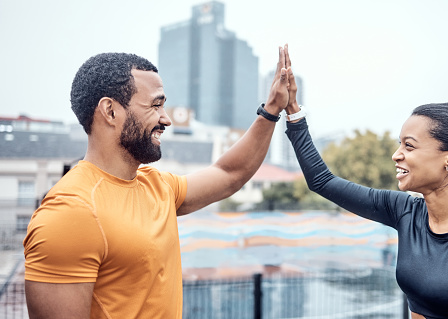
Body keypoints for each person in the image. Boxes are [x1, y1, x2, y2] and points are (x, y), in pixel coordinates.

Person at [23, 46, 292, 318]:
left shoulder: (156, 186)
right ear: (110, 111)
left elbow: (229, 174)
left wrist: (271, 110)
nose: (166, 119)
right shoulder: (70, 213)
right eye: (155, 105)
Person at [282, 50, 448, 318]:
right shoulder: (405, 211)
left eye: (409, 146)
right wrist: (293, 113)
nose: (397, 155)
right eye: (399, 144)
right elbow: (323, 181)